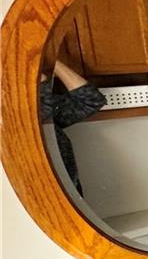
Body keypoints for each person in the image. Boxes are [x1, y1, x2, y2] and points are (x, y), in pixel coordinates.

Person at [39, 60, 107, 195]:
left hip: (69, 194)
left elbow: (91, 101)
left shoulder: (44, 113)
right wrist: (41, 84)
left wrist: (52, 61)